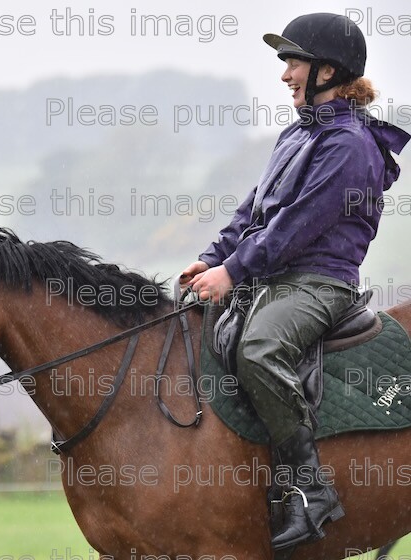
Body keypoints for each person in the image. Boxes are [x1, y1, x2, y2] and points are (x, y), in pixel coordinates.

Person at [180, 13, 410, 550]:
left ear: (328, 71)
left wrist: (233, 271)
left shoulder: (349, 145)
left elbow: (297, 226)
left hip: (319, 284)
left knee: (260, 348)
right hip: (273, 278)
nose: (285, 74)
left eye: (294, 61)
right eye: (285, 62)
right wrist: (211, 258)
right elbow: (253, 212)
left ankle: (311, 490)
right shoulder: (298, 134)